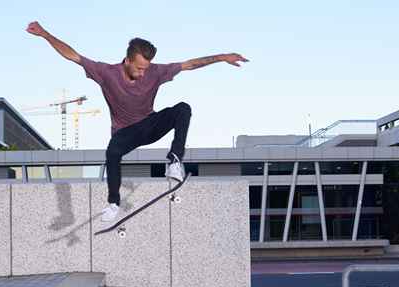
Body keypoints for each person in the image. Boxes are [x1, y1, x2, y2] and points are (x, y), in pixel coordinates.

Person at [26, 21, 249, 222]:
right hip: (125, 133)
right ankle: (113, 203)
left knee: (183, 109)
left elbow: (189, 64)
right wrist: (45, 34)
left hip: (149, 125)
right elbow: (73, 56)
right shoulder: (105, 72)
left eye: (146, 68)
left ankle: (174, 161)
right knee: (112, 151)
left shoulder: (156, 71)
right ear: (127, 60)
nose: (143, 74)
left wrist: (222, 57)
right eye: (139, 68)